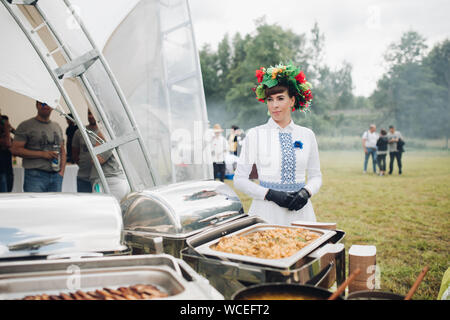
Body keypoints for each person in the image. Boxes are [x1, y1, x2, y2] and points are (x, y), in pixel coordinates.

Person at [234, 63, 321, 224]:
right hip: (266, 212)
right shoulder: (255, 134)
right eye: (270, 99)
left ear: (292, 100)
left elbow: (316, 176)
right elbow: (239, 179)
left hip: (301, 213)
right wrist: (269, 194)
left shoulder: (307, 135)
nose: (274, 105)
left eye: (280, 98)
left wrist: (306, 192)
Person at [72, 110, 130, 201]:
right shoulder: (122, 134)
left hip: (108, 181)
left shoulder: (106, 134)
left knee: (100, 211)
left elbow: (96, 160)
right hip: (117, 180)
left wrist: (99, 138)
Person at [10, 101, 66, 192]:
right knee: (35, 205)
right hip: (34, 176)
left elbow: (62, 150)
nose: (45, 106)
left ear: (52, 106)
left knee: (55, 206)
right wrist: (42, 154)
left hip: (56, 176)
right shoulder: (26, 126)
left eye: (48, 103)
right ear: (37, 105)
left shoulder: (56, 126)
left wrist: (61, 172)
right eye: (42, 103)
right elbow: (15, 149)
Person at [0, 114, 13, 192]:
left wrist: (10, 129)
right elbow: (7, 143)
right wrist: (6, 129)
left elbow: (17, 136)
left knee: (8, 193)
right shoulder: (5, 135)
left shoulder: (5, 134)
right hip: (1, 171)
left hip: (7, 169)